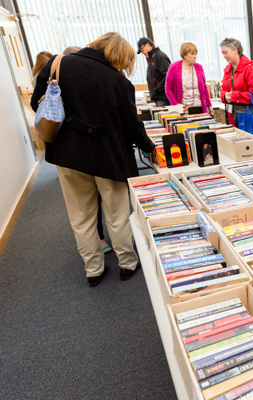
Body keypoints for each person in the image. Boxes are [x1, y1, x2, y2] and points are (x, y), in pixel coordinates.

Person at [31, 32, 155, 287]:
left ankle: (94, 270)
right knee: (117, 214)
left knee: (81, 216)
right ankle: (127, 264)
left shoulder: (58, 64)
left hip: (68, 156)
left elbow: (37, 104)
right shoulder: (118, 81)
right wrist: (148, 146)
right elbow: (131, 125)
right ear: (118, 56)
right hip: (109, 157)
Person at [63, 45, 112, 253]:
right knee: (94, 204)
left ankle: (94, 259)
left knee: (86, 208)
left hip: (77, 154)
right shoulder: (70, 84)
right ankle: (102, 243)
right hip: (85, 153)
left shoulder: (77, 81)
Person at [220, 37, 253, 164]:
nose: (224, 56)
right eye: (222, 53)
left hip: (249, 117)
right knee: (240, 154)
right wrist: (225, 96)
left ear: (235, 50)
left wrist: (233, 96)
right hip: (234, 116)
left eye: (225, 52)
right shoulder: (228, 71)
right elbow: (223, 90)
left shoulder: (249, 69)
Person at [164, 42, 213, 115]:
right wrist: (175, 104)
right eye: (192, 54)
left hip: (199, 107)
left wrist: (209, 105)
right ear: (184, 55)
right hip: (183, 108)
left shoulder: (199, 67)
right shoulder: (174, 67)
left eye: (195, 54)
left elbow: (204, 88)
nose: (194, 56)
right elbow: (168, 88)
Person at [137, 37, 171, 106]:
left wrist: (157, 88)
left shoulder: (160, 56)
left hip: (163, 97)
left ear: (147, 45)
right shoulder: (152, 57)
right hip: (157, 97)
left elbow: (168, 76)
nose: (142, 53)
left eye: (142, 50)